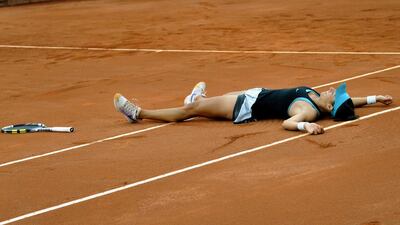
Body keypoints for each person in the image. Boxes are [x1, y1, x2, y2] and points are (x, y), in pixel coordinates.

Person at [113, 82, 393, 135]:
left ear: (330, 107)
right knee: (201, 103)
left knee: (192, 112)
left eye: (336, 94)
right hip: (254, 94)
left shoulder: (308, 110)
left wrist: (304, 125)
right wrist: (374, 99)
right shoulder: (323, 99)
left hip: (243, 107)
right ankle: (195, 100)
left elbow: (287, 123)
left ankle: (138, 113)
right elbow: (349, 102)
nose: (335, 89)